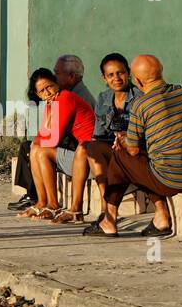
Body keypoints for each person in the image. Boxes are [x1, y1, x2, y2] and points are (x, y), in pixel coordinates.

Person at [82, 54, 182, 238]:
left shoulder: (141, 104)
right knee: (136, 160)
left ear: (135, 79)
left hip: (173, 180)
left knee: (121, 157)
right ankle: (158, 216)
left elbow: (133, 150)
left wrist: (122, 140)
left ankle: (110, 220)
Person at [58, 53, 141, 226]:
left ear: (128, 73)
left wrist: (125, 139)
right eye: (111, 75)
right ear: (104, 78)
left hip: (133, 151)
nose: (116, 78)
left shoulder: (140, 98)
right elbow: (99, 134)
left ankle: (106, 208)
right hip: (111, 149)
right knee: (85, 147)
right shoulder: (104, 98)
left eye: (120, 73)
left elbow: (142, 136)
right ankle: (76, 209)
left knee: (89, 148)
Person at [7, 53, 94, 211]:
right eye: (41, 91)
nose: (46, 93)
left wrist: (39, 141)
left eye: (49, 87)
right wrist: (39, 140)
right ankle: (41, 202)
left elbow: (52, 138)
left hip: (87, 158)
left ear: (57, 82)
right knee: (34, 148)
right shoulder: (53, 102)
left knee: (40, 151)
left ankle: (51, 204)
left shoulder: (66, 97)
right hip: (77, 152)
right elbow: (44, 133)